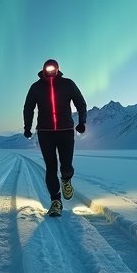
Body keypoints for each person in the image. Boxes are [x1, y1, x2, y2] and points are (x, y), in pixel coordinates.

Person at [23, 59, 87, 217]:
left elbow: (80, 102)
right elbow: (28, 108)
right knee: (51, 167)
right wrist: (27, 127)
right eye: (48, 68)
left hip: (65, 130)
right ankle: (55, 201)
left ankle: (66, 180)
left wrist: (82, 121)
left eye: (53, 68)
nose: (51, 70)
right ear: (43, 69)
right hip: (45, 132)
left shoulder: (67, 84)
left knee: (66, 166)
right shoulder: (36, 87)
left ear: (58, 69)